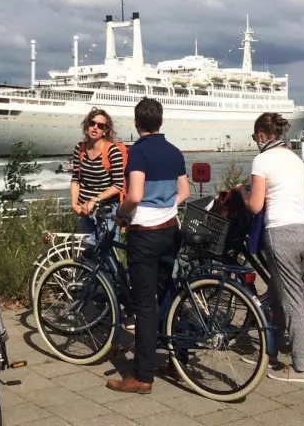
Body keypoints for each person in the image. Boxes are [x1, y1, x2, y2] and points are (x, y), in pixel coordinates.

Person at [107, 97, 189, 394]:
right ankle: (179, 361)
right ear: (161, 122)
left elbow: (135, 195)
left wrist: (121, 213)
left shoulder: (137, 152)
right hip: (171, 230)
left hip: (144, 233)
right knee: (169, 296)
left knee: (145, 305)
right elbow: (184, 192)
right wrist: (167, 206)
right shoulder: (174, 151)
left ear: (136, 122)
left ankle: (142, 376)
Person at [235, 112, 304, 383]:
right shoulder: (296, 160)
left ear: (261, 135)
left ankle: (301, 368)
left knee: (292, 301)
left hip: (282, 234)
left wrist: (242, 191)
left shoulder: (262, 160)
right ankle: (268, 352)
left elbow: (255, 205)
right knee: (279, 293)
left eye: (254, 136)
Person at [70, 107, 125, 235]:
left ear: (105, 131)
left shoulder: (112, 151)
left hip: (106, 211)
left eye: (101, 126)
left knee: (106, 246)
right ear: (86, 126)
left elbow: (118, 185)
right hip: (83, 209)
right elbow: (76, 179)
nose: (95, 128)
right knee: (85, 245)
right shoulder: (80, 148)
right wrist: (74, 204)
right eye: (92, 123)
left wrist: (95, 200)